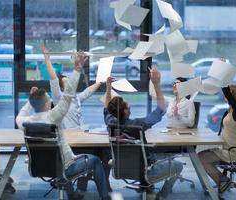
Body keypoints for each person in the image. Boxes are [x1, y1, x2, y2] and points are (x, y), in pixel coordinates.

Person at [16, 51, 110, 200]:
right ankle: (105, 197)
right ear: (48, 104)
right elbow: (65, 93)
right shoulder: (54, 116)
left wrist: (30, 100)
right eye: (49, 100)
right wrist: (77, 69)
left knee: (69, 157)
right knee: (95, 160)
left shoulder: (25, 123)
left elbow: (20, 115)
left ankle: (73, 194)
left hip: (42, 166)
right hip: (66, 166)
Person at [103, 65, 183, 199]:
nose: (130, 106)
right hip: (146, 170)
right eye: (128, 106)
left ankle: (146, 186)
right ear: (125, 112)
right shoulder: (138, 125)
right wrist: (157, 84)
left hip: (121, 169)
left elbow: (107, 107)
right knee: (178, 165)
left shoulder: (110, 123)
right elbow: (161, 109)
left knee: (143, 156)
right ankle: (161, 196)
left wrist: (108, 88)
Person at [198, 84, 236, 193]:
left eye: (230, 93)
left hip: (233, 151)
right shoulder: (232, 110)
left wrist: (223, 83)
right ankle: (222, 181)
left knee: (201, 159)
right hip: (228, 148)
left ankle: (222, 181)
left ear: (234, 96)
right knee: (200, 156)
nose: (226, 95)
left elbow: (228, 96)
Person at [41, 44, 101, 129]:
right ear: (61, 89)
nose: (70, 82)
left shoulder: (76, 98)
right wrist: (47, 60)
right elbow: (54, 80)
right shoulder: (59, 98)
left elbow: (89, 91)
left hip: (80, 133)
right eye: (66, 82)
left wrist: (102, 80)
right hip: (68, 136)